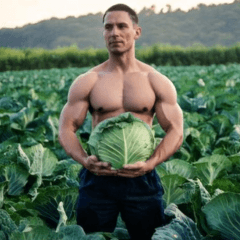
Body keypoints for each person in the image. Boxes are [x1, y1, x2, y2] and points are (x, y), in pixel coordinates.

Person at [58, 3, 183, 240]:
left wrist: (150, 163)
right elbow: (66, 128)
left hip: (142, 180)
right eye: (108, 27)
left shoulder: (155, 80)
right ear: (103, 33)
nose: (114, 33)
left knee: (149, 237)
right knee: (92, 237)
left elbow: (175, 130)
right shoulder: (89, 80)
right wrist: (86, 161)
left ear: (136, 31)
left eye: (122, 26)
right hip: (98, 179)